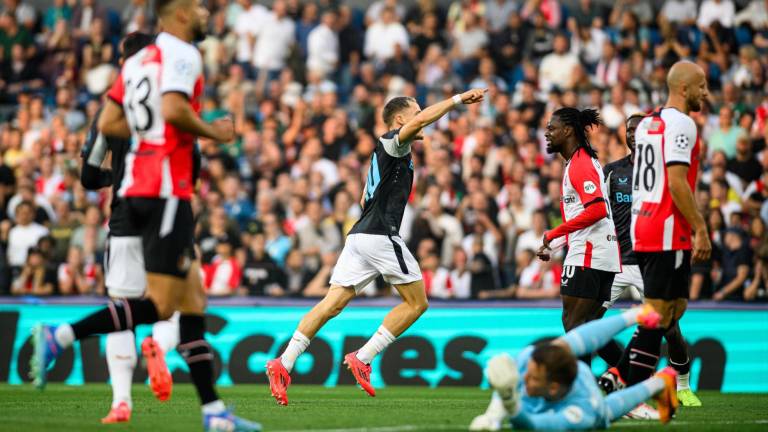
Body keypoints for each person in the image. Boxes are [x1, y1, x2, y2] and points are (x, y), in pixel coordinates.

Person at [29, 1, 260, 430]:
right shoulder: (182, 54)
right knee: (159, 306)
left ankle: (215, 414)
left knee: (193, 302)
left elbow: (111, 120)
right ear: (179, 14)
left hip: (135, 189)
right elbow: (173, 110)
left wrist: (145, 129)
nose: (207, 12)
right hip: (165, 190)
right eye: (199, 6)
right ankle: (59, 336)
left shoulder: (136, 60)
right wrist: (216, 132)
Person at [266, 88, 488, 405]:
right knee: (417, 303)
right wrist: (456, 100)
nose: (421, 116)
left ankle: (283, 362)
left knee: (331, 304)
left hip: (359, 237)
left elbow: (363, 197)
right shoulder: (393, 142)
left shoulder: (387, 151)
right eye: (415, 112)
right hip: (381, 236)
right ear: (400, 119)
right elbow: (423, 120)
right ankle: (364, 357)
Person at [78, 31, 189, 423]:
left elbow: (89, 176)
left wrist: (116, 177)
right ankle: (159, 345)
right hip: (164, 214)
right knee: (173, 307)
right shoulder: (170, 101)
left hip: (124, 217)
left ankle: (120, 402)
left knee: (122, 310)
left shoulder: (109, 111)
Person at [615, 60, 711, 401]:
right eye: (701, 86)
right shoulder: (682, 124)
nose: (706, 92)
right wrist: (700, 228)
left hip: (644, 227)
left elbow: (646, 183)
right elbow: (675, 181)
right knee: (659, 314)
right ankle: (623, 387)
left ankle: (621, 382)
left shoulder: (646, 126)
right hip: (668, 229)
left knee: (669, 312)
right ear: (683, 89)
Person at [598, 114, 703, 412]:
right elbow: (600, 215)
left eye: (637, 129)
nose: (633, 134)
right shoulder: (612, 171)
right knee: (586, 325)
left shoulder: (664, 171)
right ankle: (624, 372)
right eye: (628, 130)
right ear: (625, 136)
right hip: (617, 263)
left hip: (649, 260)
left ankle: (682, 385)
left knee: (670, 329)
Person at [469, 306, 678, 431]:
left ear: (552, 388)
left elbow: (530, 425)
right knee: (563, 344)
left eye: (532, 378)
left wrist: (506, 401)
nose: (524, 379)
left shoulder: (582, 412)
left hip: (588, 399)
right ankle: (637, 313)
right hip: (559, 371)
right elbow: (584, 336)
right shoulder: (530, 359)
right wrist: (634, 316)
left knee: (606, 413)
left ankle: (660, 382)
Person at [536, 108, 621, 364]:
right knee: (589, 329)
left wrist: (555, 232)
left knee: (574, 325)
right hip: (599, 251)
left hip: (590, 252)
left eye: (551, 128)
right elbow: (582, 215)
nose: (547, 133)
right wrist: (555, 242)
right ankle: (633, 378)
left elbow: (597, 210)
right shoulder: (578, 161)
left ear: (568, 130)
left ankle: (585, 393)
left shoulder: (581, 162)